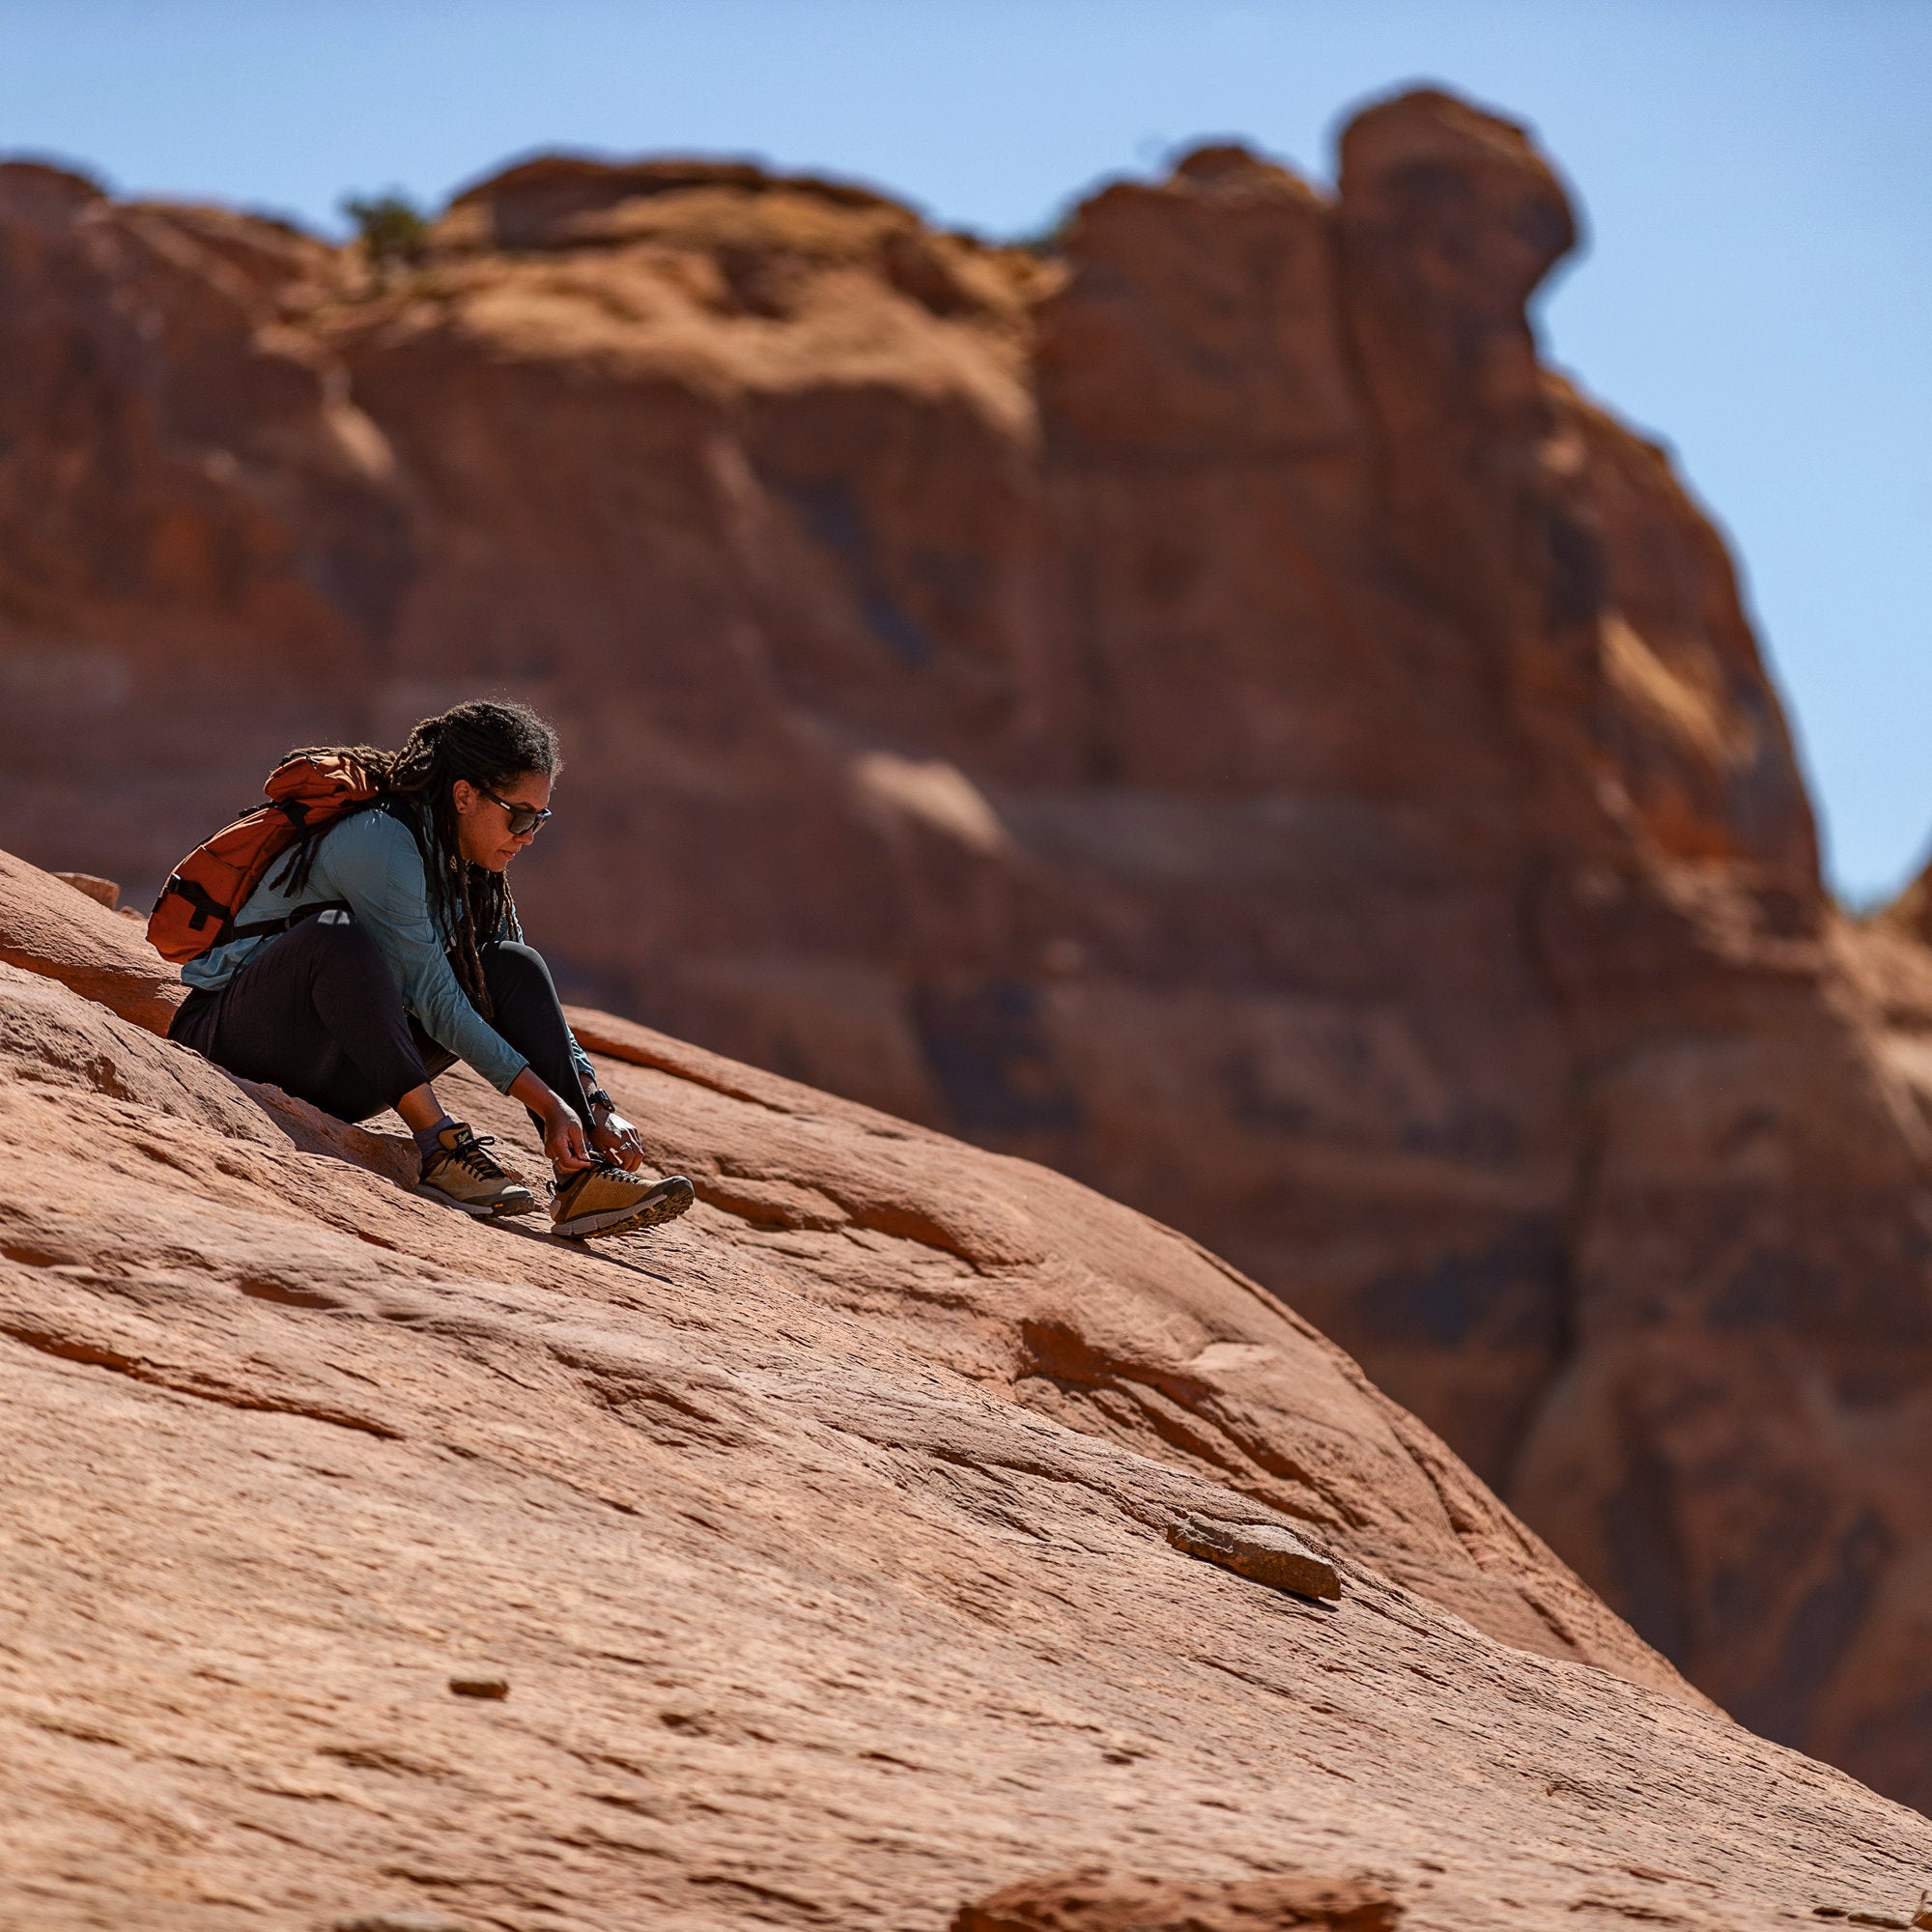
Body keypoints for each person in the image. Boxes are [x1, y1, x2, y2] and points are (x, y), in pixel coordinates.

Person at [167, 700, 694, 1240]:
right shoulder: (379, 840)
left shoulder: (465, 863)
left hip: (343, 1074)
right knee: (334, 935)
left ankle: (581, 1179)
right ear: (463, 795)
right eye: (519, 814)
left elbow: (520, 997)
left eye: (540, 816)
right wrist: (548, 1103)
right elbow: (433, 995)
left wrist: (591, 1102)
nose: (529, 833)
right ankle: (441, 1149)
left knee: (513, 967)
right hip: (232, 1043)